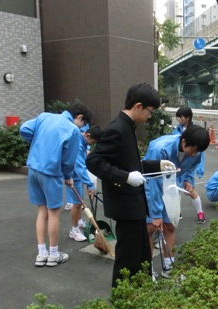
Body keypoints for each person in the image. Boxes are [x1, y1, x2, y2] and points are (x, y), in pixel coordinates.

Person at [85, 83, 175, 288]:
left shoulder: (127, 127)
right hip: (125, 205)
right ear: (139, 106)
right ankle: (122, 303)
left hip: (133, 204)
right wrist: (125, 177)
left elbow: (131, 164)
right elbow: (93, 161)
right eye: (150, 112)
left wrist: (158, 164)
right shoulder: (118, 128)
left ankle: (138, 297)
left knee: (142, 253)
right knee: (127, 258)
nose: (150, 116)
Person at [20, 100, 93, 267]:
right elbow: (69, 160)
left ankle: (41, 254)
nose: (82, 129)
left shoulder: (44, 117)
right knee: (53, 214)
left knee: (41, 211)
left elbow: (24, 129)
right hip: (51, 173)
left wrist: (39, 143)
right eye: (83, 124)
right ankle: (53, 255)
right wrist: (68, 177)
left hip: (33, 169)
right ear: (79, 117)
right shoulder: (72, 130)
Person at [144, 125, 210, 278]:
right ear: (184, 141)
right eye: (193, 150)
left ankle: (168, 266)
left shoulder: (196, 153)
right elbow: (153, 181)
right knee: (149, 228)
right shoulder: (160, 149)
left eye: (198, 151)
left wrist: (188, 180)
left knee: (170, 226)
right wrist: (155, 213)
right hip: (151, 187)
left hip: (172, 187)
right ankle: (147, 270)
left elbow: (190, 168)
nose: (195, 154)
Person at [66, 125, 103, 242]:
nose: (92, 144)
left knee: (79, 202)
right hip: (73, 176)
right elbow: (79, 166)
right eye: (92, 142)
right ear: (87, 135)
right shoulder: (78, 143)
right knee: (76, 204)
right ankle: (74, 230)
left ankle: (79, 222)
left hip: (77, 176)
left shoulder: (83, 140)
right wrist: (90, 183)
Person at [172, 107, 206, 224]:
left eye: (181, 117)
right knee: (176, 191)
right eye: (178, 117)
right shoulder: (177, 130)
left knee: (190, 189)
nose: (179, 119)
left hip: (187, 165)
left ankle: (200, 212)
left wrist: (200, 169)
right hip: (177, 166)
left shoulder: (195, 131)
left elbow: (199, 154)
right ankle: (177, 212)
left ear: (188, 117)